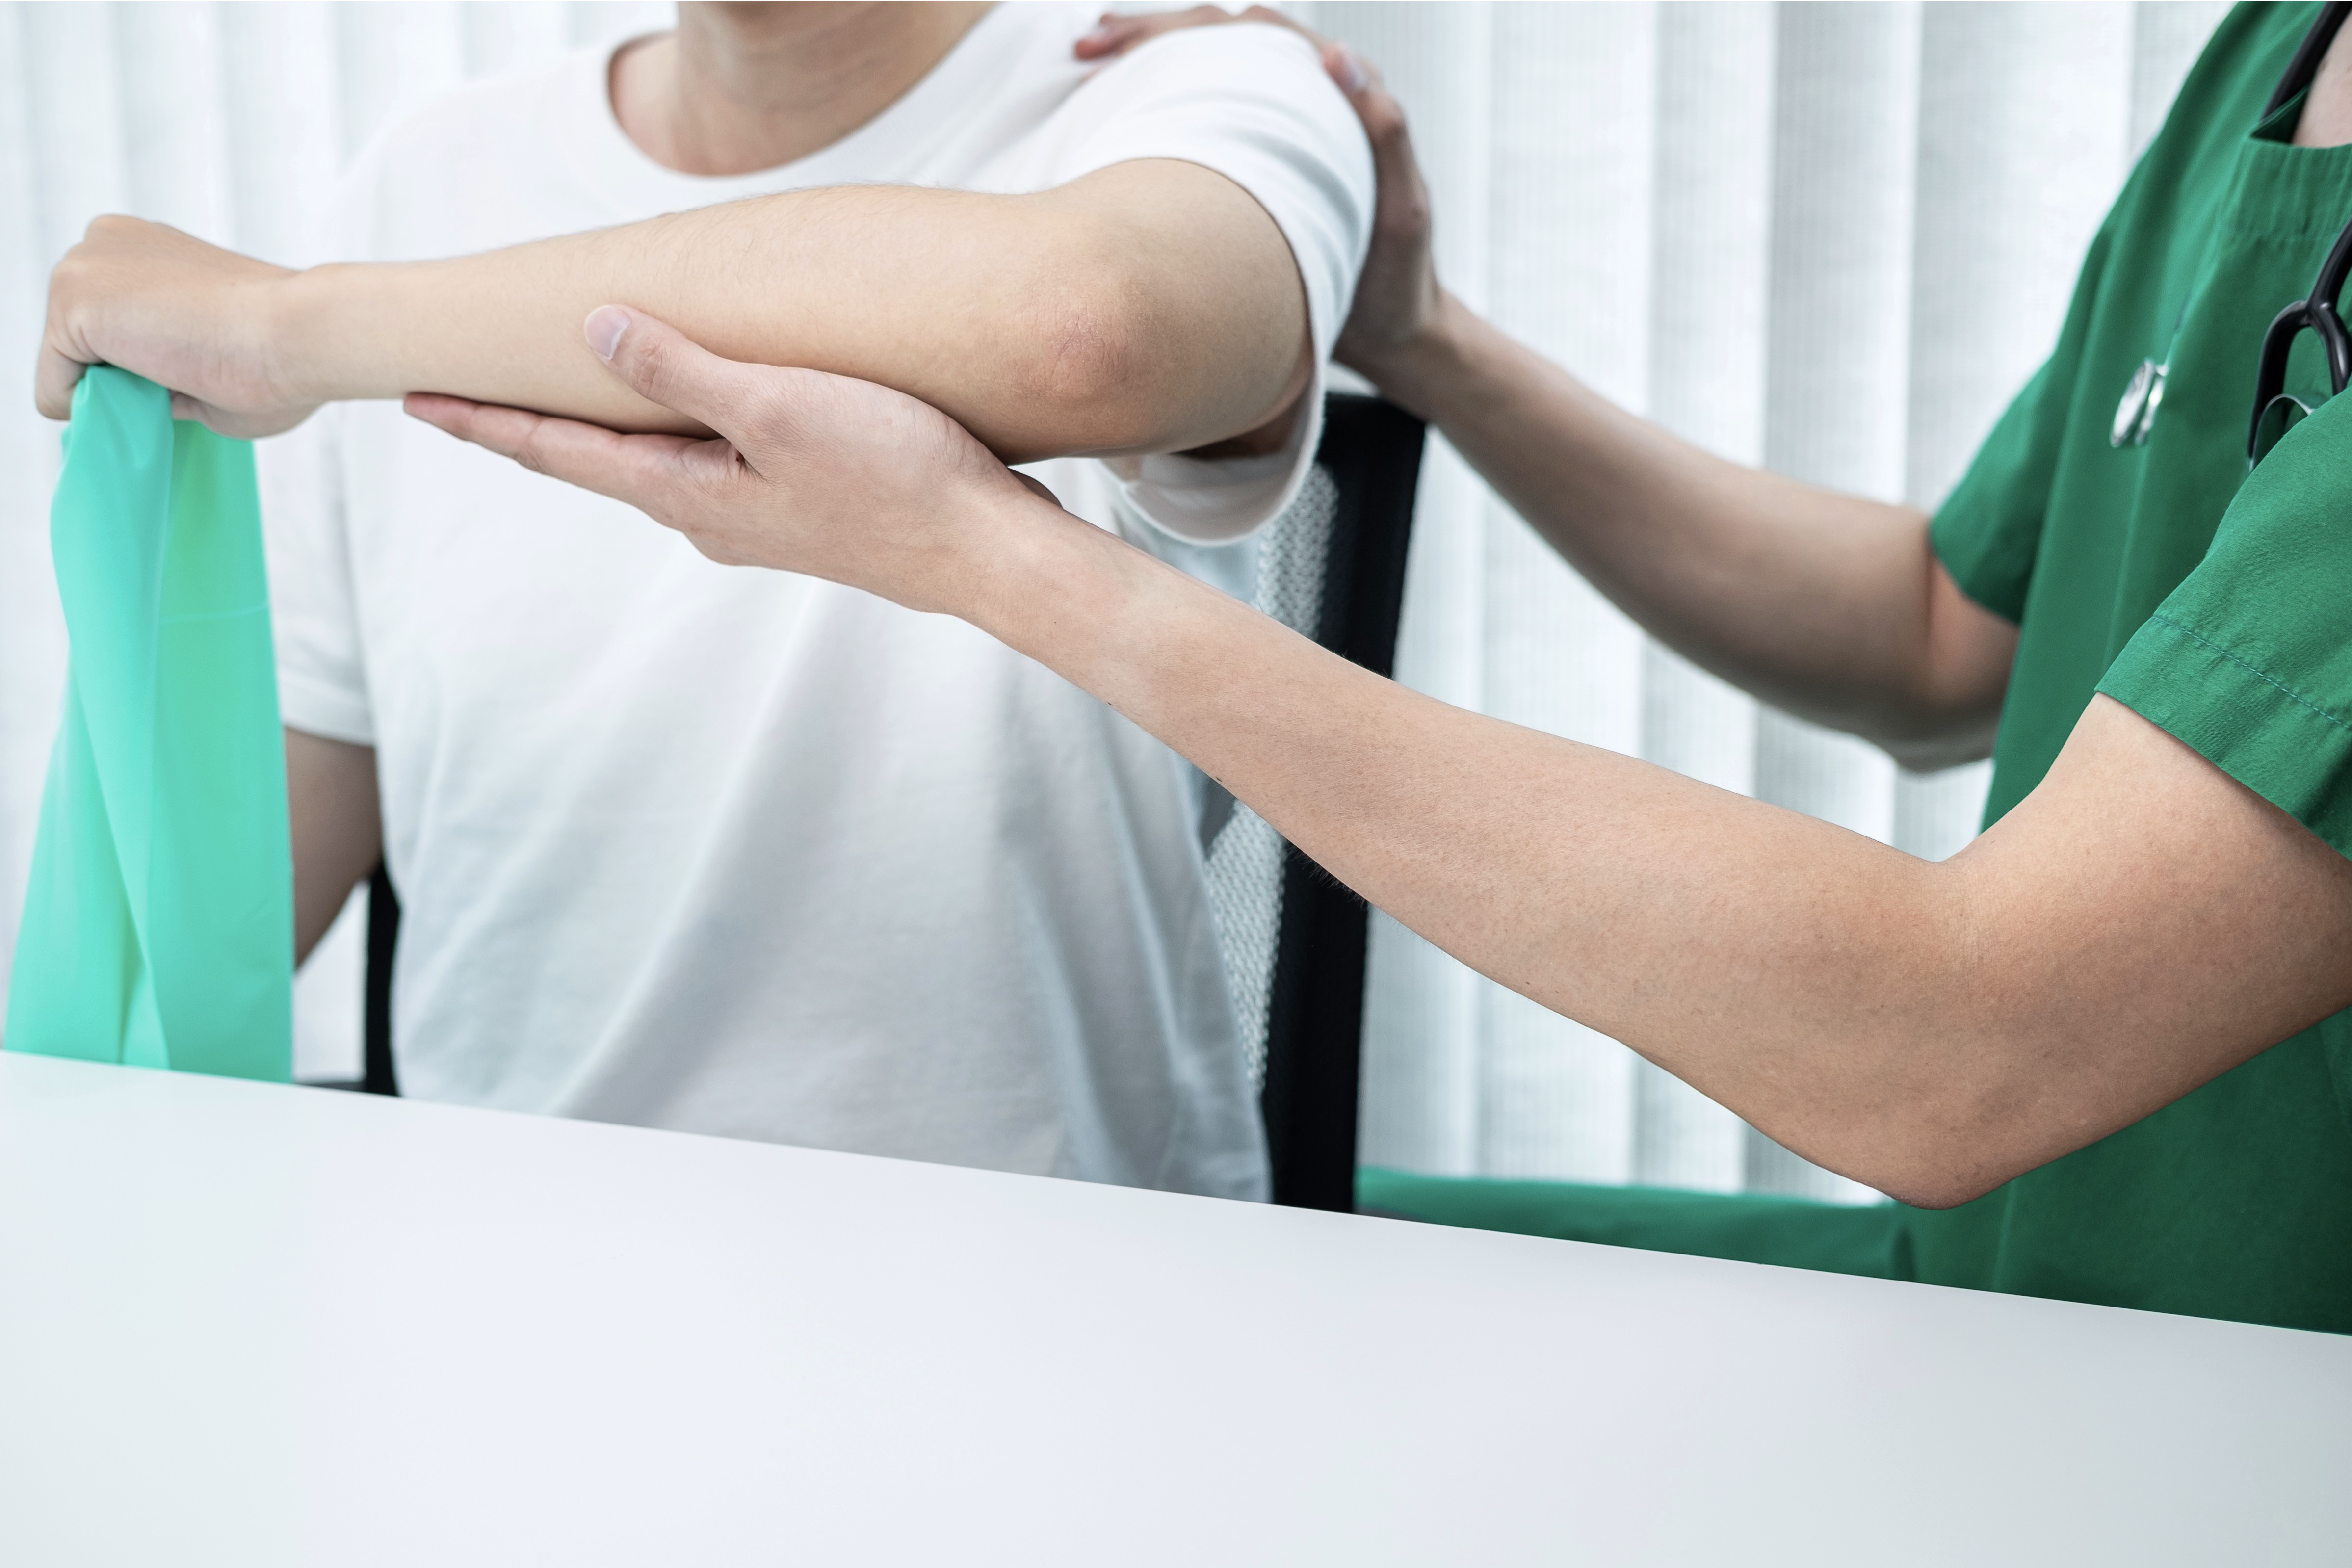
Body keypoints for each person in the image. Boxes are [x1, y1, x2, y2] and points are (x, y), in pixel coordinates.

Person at [394, 0, 2352, 1335]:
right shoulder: (2271, 47)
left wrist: (990, 556)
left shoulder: (1162, 111)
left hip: (2239, 1373)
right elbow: (1935, 636)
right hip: (1998, 1273)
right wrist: (1427, 339)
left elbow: (1955, 1040)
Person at [36, 2, 1372, 1201]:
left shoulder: (1194, 85)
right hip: (502, 1270)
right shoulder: (424, 175)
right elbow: (245, 857)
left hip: (1050, 1282)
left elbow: (1090, 330)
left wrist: (290, 329)